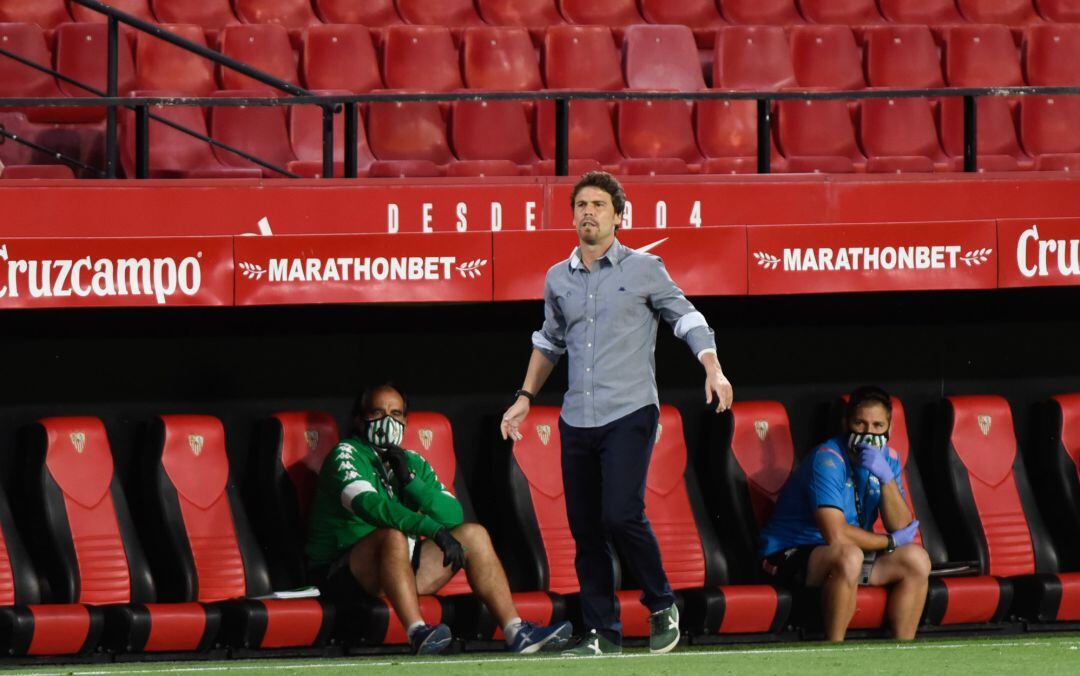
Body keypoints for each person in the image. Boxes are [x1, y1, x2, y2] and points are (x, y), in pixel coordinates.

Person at [500, 171, 733, 656]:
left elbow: (688, 318)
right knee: (584, 529)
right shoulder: (557, 277)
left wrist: (712, 368)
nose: (588, 212)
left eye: (599, 205)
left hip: (630, 411)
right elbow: (549, 343)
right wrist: (524, 396)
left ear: (619, 216)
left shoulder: (646, 268)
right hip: (576, 418)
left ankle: (661, 602)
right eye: (581, 204)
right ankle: (602, 632)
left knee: (621, 513)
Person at [306, 384, 572, 655]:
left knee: (473, 534)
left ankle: (517, 632)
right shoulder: (345, 454)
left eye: (396, 414)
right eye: (377, 412)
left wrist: (409, 481)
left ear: (405, 422)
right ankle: (418, 632)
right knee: (392, 534)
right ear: (359, 420)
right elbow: (372, 507)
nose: (388, 421)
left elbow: (452, 514)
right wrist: (434, 530)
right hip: (342, 572)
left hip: (397, 568)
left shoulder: (411, 461)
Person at [757, 386, 931, 642]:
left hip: (850, 556)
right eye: (860, 423)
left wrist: (886, 480)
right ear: (845, 423)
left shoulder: (888, 459)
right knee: (849, 555)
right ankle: (835, 652)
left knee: (918, 559)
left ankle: (902, 654)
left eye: (877, 425)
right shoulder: (827, 458)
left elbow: (902, 525)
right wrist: (890, 542)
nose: (868, 433)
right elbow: (836, 535)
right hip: (789, 553)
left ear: (889, 429)